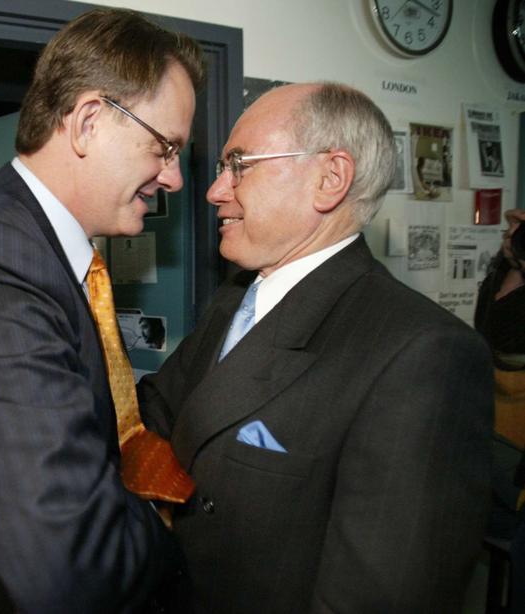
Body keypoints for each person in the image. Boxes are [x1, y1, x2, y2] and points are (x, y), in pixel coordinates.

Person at [0, 9, 203, 613]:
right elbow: (69, 561)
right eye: (165, 147)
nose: (175, 178)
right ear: (88, 122)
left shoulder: (30, 252)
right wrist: (166, 536)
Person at [138, 82, 494, 613]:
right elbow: (156, 409)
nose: (214, 190)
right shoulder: (236, 299)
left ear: (330, 179)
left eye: (239, 164)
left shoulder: (425, 355)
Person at [475, 208, 525, 611]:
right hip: (495, 434)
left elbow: (510, 346)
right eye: (511, 227)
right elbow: (492, 334)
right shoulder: (501, 277)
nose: (512, 234)